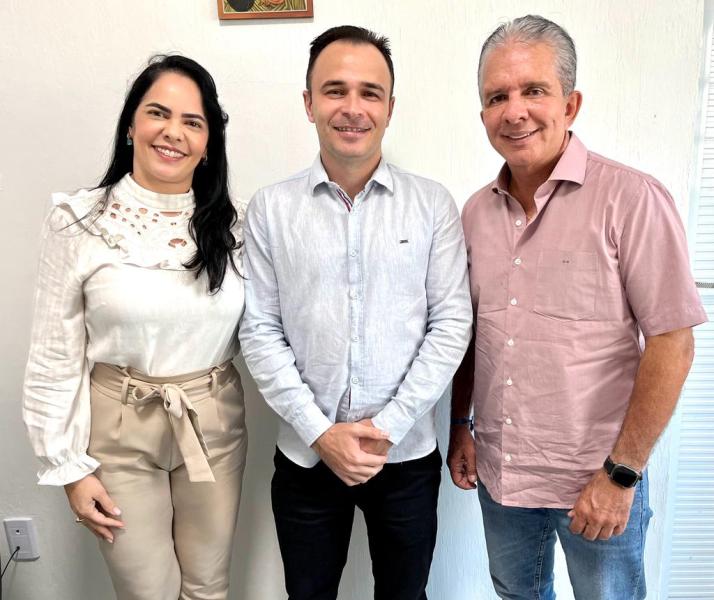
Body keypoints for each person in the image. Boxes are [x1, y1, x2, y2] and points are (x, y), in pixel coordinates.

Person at [447, 14, 707, 600]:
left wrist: (622, 474)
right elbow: (470, 334)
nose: (514, 112)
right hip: (503, 476)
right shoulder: (475, 213)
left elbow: (673, 343)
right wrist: (461, 424)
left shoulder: (632, 199)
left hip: (599, 478)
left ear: (571, 103)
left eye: (534, 90)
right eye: (497, 97)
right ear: (483, 113)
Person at [239, 25, 472, 600]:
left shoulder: (432, 205)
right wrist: (321, 433)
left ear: (390, 107)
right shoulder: (270, 209)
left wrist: (387, 428)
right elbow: (260, 330)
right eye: (335, 90)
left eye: (370, 92)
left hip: (406, 454)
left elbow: (451, 324)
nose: (352, 107)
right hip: (306, 453)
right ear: (309, 103)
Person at [23, 55, 247, 600]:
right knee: (148, 592)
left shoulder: (234, 227)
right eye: (158, 113)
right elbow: (54, 354)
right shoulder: (80, 221)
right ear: (131, 125)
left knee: (208, 587)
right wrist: (69, 468)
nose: (173, 132)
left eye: (192, 122)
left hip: (214, 421)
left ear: (208, 144)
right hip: (118, 428)